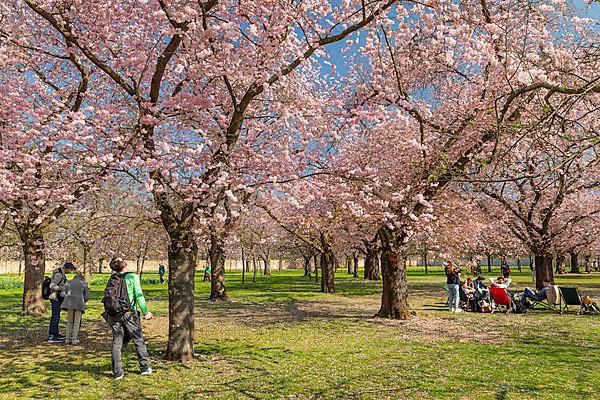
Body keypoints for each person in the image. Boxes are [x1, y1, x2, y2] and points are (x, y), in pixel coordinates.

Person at [108, 257, 153, 380]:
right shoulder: (132, 277)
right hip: (129, 313)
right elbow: (139, 296)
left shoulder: (113, 278)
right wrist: (146, 312)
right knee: (138, 340)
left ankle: (118, 372)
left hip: (115, 314)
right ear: (123, 264)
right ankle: (144, 368)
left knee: (116, 343)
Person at [48, 262, 76, 343]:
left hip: (58, 298)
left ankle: (55, 334)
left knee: (57, 316)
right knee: (55, 317)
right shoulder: (59, 275)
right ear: (67, 268)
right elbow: (52, 285)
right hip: (55, 298)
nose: (71, 271)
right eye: (71, 269)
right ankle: (52, 336)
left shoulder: (62, 274)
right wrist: (62, 288)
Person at [60, 271, 90, 345]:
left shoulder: (68, 282)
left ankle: (67, 339)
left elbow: (62, 294)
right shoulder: (84, 284)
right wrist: (83, 300)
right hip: (79, 303)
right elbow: (87, 296)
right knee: (76, 322)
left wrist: (68, 296)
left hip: (69, 303)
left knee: (69, 321)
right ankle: (74, 339)